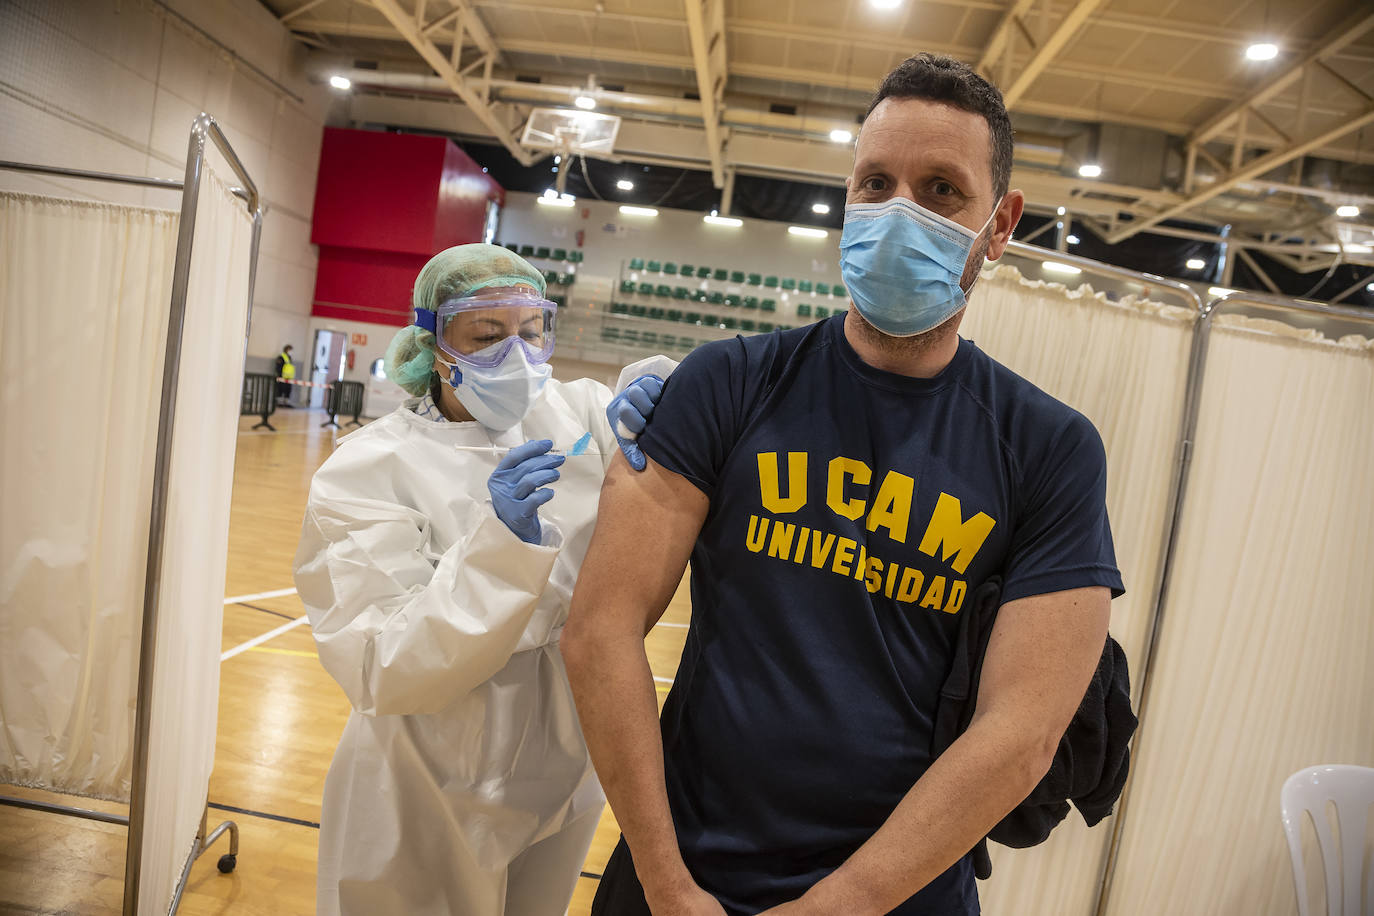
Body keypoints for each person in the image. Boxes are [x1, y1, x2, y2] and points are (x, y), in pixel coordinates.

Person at [562, 53, 1124, 916]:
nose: (900, 212)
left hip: (900, 896)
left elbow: (1024, 732)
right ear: (847, 196)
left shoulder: (1048, 448)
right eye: (876, 183)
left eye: (942, 191)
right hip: (681, 876)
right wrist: (667, 881)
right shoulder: (727, 383)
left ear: (999, 222)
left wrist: (850, 901)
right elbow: (600, 628)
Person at [294, 243, 673, 915]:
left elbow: (681, 464)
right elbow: (385, 663)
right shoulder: (367, 470)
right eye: (487, 336)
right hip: (428, 769)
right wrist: (500, 546)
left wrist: (674, 405)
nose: (518, 356)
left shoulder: (583, 417)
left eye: (531, 332)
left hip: (565, 753)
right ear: (434, 344)